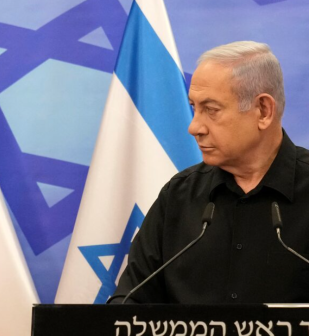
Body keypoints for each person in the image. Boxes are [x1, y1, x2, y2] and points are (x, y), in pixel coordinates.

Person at [109, 41, 309, 305]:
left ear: (263, 111)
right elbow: (127, 306)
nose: (194, 127)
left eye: (211, 110)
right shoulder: (178, 196)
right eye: (194, 107)